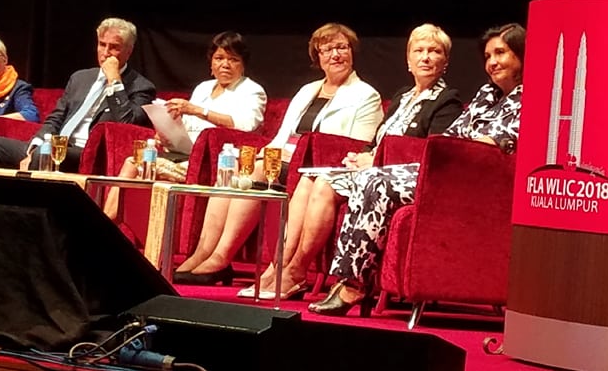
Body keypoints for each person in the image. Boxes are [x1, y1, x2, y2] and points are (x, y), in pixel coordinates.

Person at [308, 23, 524, 316]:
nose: (493, 62)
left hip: (480, 185)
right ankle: (349, 280)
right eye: (488, 56)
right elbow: (450, 137)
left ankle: (353, 286)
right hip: (448, 172)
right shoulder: (488, 93)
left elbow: (495, 143)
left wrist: (459, 147)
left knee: (376, 181)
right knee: (367, 178)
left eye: (501, 53)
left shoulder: (530, 97)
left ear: (522, 55)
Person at [238, 23, 463, 299]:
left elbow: (433, 153)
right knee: (310, 179)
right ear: (408, 60)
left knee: (323, 185)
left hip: (398, 176)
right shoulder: (403, 97)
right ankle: (278, 266)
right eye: (419, 51)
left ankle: (296, 272)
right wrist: (361, 155)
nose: (425, 57)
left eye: (434, 51)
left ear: (446, 61)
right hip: (373, 167)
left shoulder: (446, 101)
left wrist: (376, 158)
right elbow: (377, 139)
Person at [174, 22, 384, 285]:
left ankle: (221, 257)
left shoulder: (366, 96)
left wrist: (279, 159)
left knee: (256, 170)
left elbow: (357, 146)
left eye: (342, 47)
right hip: (284, 159)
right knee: (236, 168)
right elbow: (282, 135)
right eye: (327, 49)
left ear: (352, 52)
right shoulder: (308, 90)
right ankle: (203, 251)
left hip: (316, 167)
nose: (335, 55)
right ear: (317, 57)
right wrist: (265, 154)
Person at [103, 31, 267, 219]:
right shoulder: (204, 88)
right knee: (135, 161)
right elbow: (187, 125)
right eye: (219, 58)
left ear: (243, 64)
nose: (225, 64)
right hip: (182, 153)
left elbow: (245, 125)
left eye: (233, 59)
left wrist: (198, 110)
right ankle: (109, 222)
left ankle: (108, 224)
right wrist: (167, 132)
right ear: (211, 63)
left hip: (217, 162)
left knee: (139, 167)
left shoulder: (252, 91)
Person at [0, 18, 156, 172]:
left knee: (46, 153)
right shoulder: (80, 78)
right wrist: (36, 144)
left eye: (114, 47)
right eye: (102, 44)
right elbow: (56, 117)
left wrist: (114, 81)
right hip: (54, 146)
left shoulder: (141, 87)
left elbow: (126, 123)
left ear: (129, 51)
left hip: (86, 153)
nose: (105, 53)